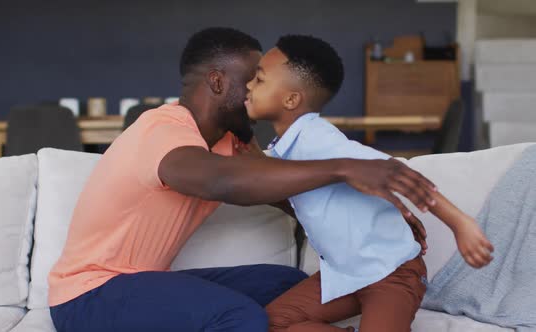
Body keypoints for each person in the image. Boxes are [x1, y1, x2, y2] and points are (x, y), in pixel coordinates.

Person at [48, 28, 439, 332]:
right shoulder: (162, 130)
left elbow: (283, 189)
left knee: (281, 282)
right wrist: (344, 167)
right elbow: (221, 180)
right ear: (217, 82)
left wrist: (377, 218)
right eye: (251, 81)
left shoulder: (230, 140)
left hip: (138, 284)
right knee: (240, 318)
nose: (257, 93)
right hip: (88, 297)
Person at [242, 35, 494, 332]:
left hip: (392, 273)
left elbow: (394, 171)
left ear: (291, 99)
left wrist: (459, 223)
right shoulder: (289, 146)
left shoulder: (318, 139)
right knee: (273, 322)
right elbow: (262, 172)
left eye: (258, 80)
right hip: (343, 276)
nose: (248, 86)